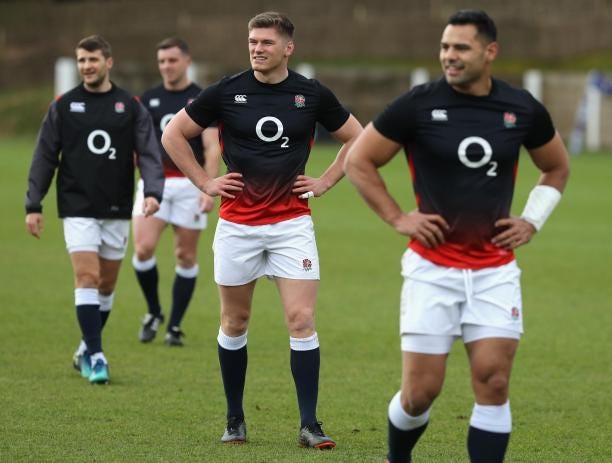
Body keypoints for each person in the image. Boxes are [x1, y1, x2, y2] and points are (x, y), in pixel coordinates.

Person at [344, 10, 570, 463]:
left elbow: (556, 167)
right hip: (431, 269)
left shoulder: (521, 108)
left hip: (495, 270)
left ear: (490, 52)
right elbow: (358, 161)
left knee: (494, 381)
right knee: (419, 394)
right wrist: (398, 218)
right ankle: (397, 457)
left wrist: (532, 220)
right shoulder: (417, 105)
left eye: (461, 47)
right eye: (445, 47)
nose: (449, 55)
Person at [162, 11, 362, 449]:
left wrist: (326, 181)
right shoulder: (226, 91)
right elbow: (174, 135)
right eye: (252, 41)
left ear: (288, 48)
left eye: (266, 42)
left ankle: (309, 424)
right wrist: (205, 182)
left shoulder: (310, 94)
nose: (257, 48)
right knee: (235, 321)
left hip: (292, 224)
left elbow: (357, 138)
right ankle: (235, 419)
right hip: (238, 226)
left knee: (301, 319)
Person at [25, 35, 164, 385]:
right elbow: (44, 156)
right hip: (77, 204)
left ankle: (85, 348)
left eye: (92, 60)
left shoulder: (129, 106)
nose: (86, 66)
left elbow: (149, 152)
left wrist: (152, 191)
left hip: (116, 205)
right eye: (81, 60)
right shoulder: (63, 106)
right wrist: (33, 203)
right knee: (86, 276)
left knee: (106, 284)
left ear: (108, 62)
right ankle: (98, 355)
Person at [133, 38, 220, 346]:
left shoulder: (202, 99)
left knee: (185, 255)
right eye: (161, 61)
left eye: (172, 60)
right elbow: (139, 145)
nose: (166, 66)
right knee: (143, 249)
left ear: (187, 61)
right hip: (153, 183)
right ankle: (154, 311)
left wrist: (208, 186)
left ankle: (174, 326)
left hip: (190, 184)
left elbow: (212, 148)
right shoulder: (148, 99)